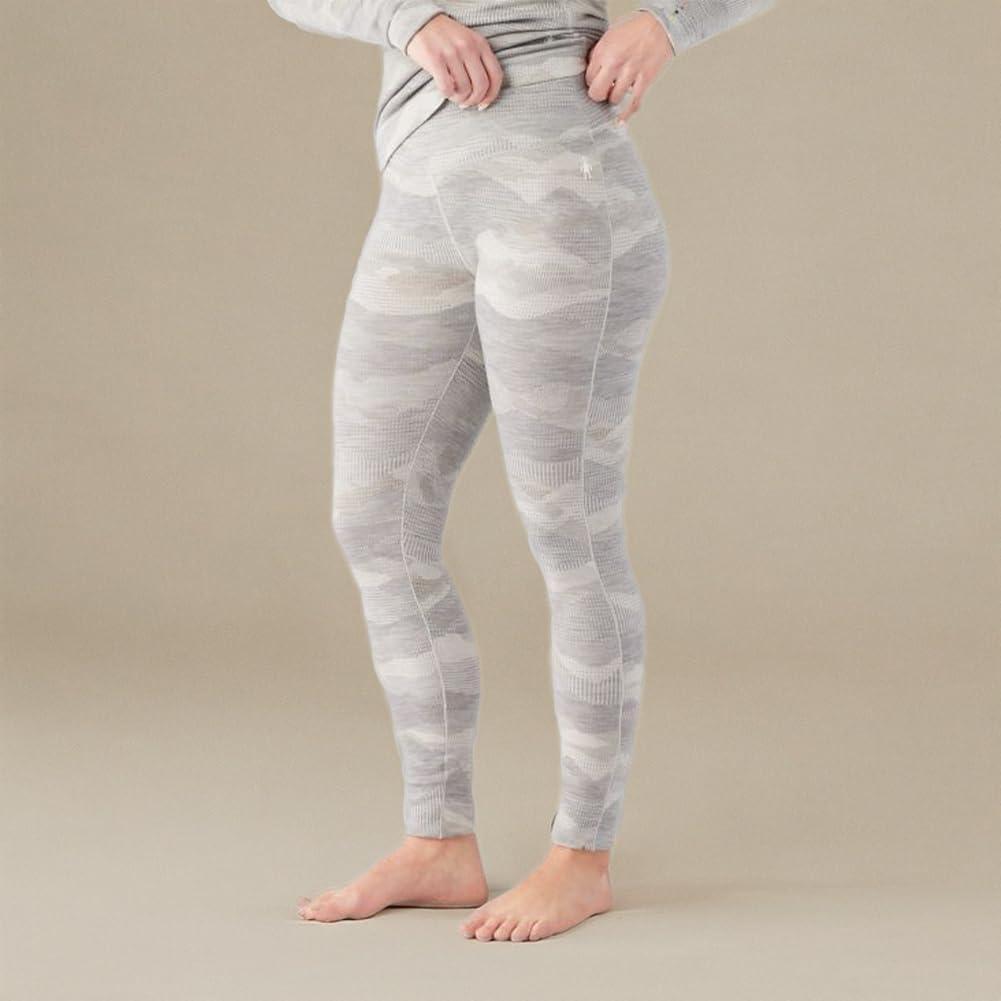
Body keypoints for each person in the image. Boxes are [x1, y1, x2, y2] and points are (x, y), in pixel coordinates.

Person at [266, 0, 776, 942]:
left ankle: (581, 857)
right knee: (375, 521)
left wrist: (668, 22)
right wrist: (404, 18)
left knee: (569, 530)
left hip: (561, 201)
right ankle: (437, 842)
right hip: (418, 206)